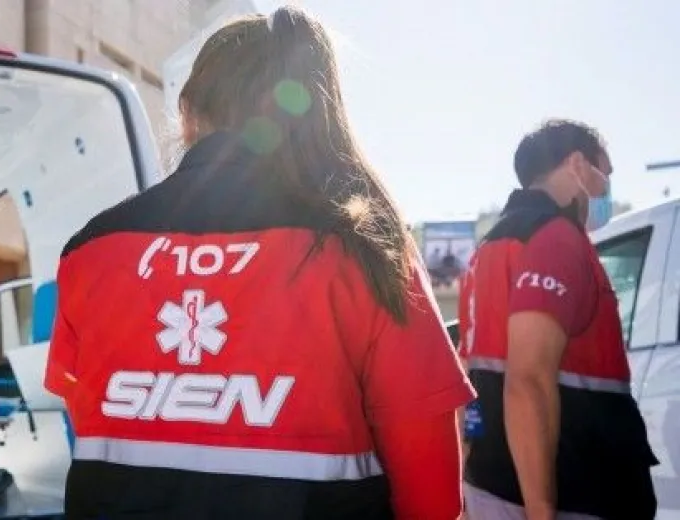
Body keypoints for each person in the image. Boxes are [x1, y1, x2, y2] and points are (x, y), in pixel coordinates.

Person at [44, 6, 474, 519]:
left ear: (187, 113)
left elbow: (86, 415)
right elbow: (432, 493)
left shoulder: (91, 249)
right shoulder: (364, 247)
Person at [457, 119, 658, 520]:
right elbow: (528, 379)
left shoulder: (489, 249)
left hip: (491, 483)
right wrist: (541, 509)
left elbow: (468, 378)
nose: (605, 189)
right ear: (578, 165)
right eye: (606, 173)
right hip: (572, 490)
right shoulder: (555, 239)